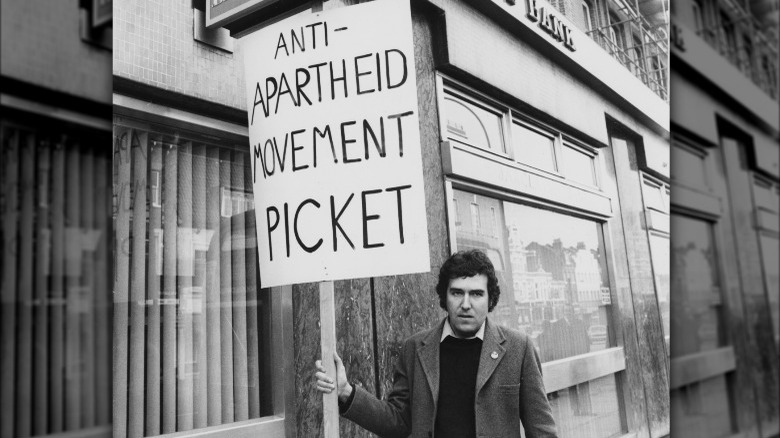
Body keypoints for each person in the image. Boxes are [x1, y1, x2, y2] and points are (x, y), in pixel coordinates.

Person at [314, 249, 558, 438]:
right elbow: (398, 422)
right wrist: (347, 391)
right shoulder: (415, 348)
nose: (465, 304)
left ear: (490, 298)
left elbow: (542, 431)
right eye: (456, 292)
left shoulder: (518, 348)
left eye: (476, 294)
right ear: (444, 296)